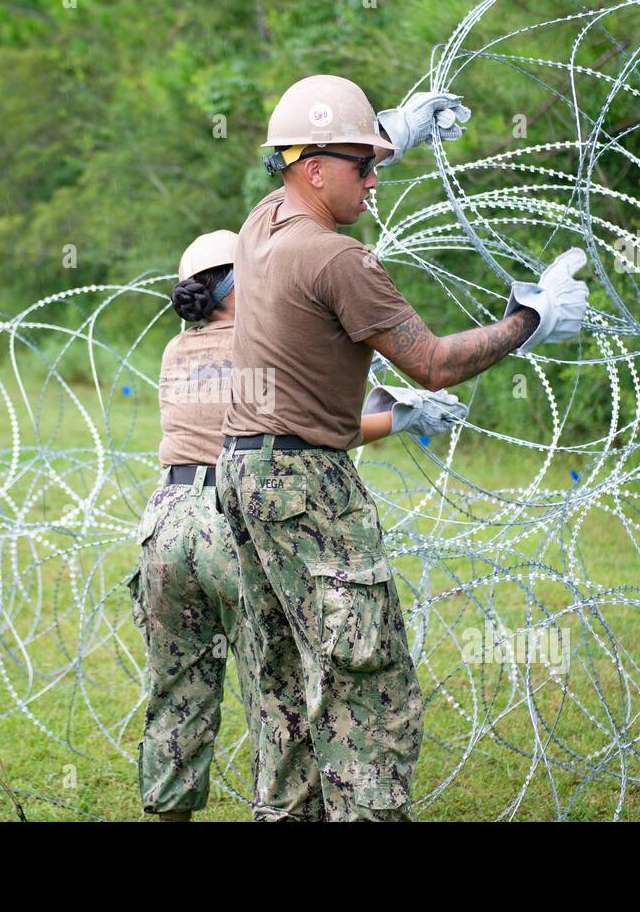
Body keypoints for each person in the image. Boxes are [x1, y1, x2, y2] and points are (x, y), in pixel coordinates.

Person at [216, 74, 589, 821]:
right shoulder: (337, 260)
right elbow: (435, 362)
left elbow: (307, 155)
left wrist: (399, 128)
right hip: (307, 485)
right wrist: (530, 320)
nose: (374, 178)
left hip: (243, 473)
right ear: (315, 170)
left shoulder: (262, 228)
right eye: (363, 165)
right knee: (367, 682)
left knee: (285, 682)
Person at [127, 228, 464, 821]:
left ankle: (170, 809)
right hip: (232, 523)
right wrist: (398, 416)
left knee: (175, 688)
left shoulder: (176, 350)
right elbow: (306, 429)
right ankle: (287, 810)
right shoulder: (260, 346)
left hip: (167, 522)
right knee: (277, 686)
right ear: (241, 279)